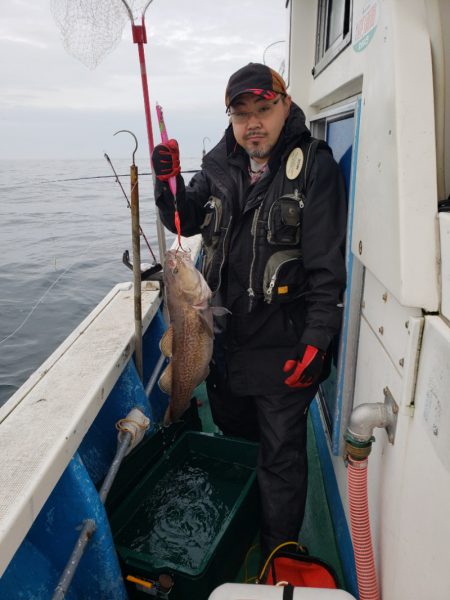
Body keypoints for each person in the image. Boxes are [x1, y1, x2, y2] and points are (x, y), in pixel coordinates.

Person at [152, 63, 347, 561]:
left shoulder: (315, 165)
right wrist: (166, 181)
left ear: (285, 105)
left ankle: (278, 555)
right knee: (239, 443)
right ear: (231, 119)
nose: (253, 123)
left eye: (263, 109)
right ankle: (240, 534)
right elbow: (185, 218)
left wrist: (316, 342)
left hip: (283, 349)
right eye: (242, 114)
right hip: (224, 345)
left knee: (281, 459)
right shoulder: (219, 161)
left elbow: (327, 271)